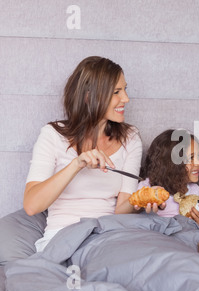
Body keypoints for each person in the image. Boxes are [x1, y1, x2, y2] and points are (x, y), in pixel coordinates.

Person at [23, 56, 143, 251]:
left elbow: (122, 210)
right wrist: (76, 165)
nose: (126, 99)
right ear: (89, 96)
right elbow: (32, 205)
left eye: (125, 89)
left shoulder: (130, 138)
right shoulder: (52, 135)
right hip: (64, 237)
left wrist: (142, 201)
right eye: (116, 92)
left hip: (108, 236)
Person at [138, 129, 199, 230]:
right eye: (191, 158)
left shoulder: (194, 190)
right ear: (170, 163)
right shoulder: (147, 187)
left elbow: (198, 230)